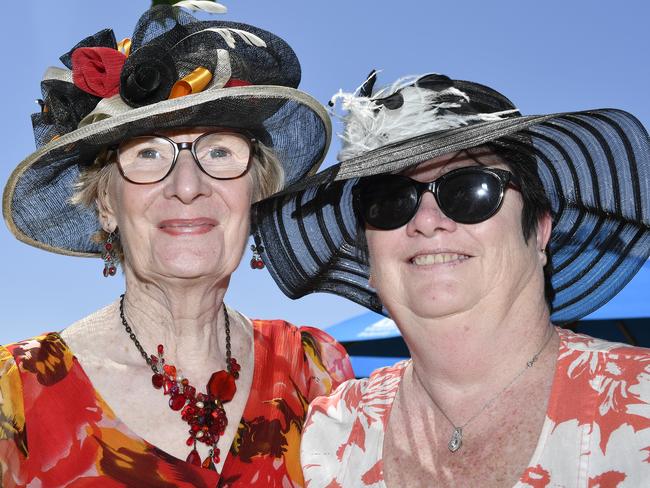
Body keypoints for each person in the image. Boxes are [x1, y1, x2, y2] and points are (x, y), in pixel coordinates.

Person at [0, 5, 353, 487]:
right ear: (106, 204)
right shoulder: (15, 393)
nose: (187, 186)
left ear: (256, 192)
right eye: (148, 153)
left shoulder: (316, 370)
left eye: (219, 152)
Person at [254, 72, 650, 486]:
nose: (426, 222)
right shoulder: (328, 433)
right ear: (369, 257)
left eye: (469, 189)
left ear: (539, 230)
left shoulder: (641, 401)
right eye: (390, 201)